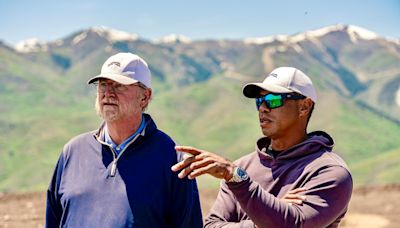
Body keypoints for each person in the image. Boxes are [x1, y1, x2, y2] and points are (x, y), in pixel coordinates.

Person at [172, 67, 353, 227]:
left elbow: (294, 225)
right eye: (260, 101)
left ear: (304, 107)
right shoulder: (243, 166)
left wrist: (237, 178)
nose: (263, 108)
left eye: (274, 100)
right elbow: (212, 226)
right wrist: (263, 221)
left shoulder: (329, 171)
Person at [46, 52, 203, 228]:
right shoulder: (73, 151)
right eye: (103, 85)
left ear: (145, 97)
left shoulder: (172, 158)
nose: (108, 93)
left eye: (119, 85)